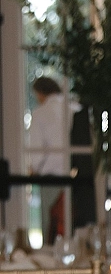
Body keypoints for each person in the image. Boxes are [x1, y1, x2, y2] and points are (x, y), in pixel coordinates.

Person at [28, 76, 67, 243]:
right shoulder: (72, 108)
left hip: (50, 175)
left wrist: (32, 169)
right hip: (74, 175)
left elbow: (37, 147)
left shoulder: (40, 113)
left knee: (51, 226)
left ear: (41, 92)